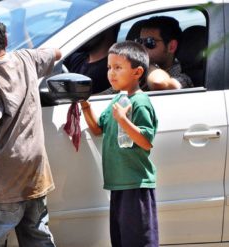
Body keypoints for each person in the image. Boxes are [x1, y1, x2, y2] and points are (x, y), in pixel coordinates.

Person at [0, 13, 61, 247]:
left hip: (6, 176)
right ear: (5, 40)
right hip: (35, 169)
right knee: (37, 233)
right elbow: (56, 53)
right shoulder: (26, 58)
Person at [80, 41, 159, 246]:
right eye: (109, 67)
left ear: (137, 72)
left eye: (118, 68)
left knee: (139, 240)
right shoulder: (118, 100)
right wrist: (85, 105)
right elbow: (98, 129)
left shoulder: (140, 102)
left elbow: (145, 141)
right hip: (119, 184)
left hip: (135, 183)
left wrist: (124, 120)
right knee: (121, 240)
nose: (111, 73)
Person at [135, 16, 193, 90]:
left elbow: (158, 83)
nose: (142, 47)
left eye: (149, 42)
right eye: (139, 41)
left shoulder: (182, 79)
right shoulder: (137, 73)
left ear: (172, 46)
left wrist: (145, 63)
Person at [64, 25, 119, 94]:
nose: (80, 33)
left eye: (87, 27)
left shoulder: (111, 71)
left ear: (107, 29)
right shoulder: (76, 57)